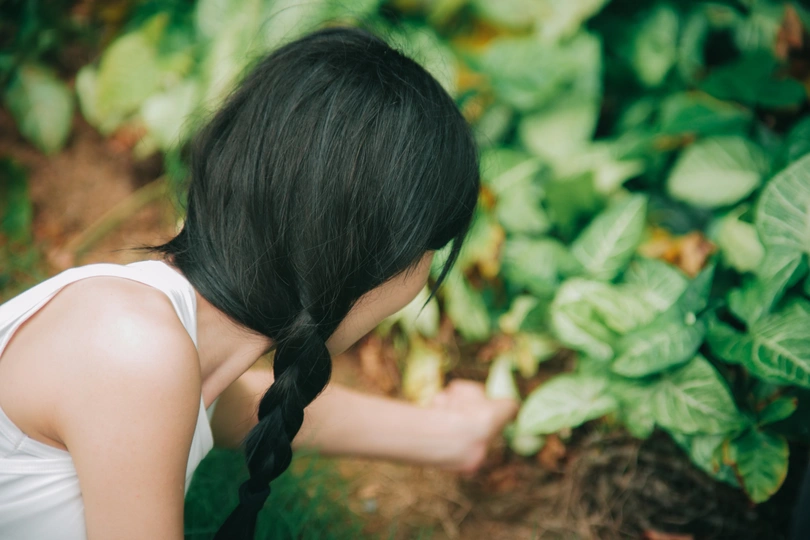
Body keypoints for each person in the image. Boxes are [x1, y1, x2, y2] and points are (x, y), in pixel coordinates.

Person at [0, 25, 518, 540]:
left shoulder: (162, 340)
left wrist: (452, 436)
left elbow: (243, 409)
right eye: (430, 250)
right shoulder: (134, 350)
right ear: (375, 257)